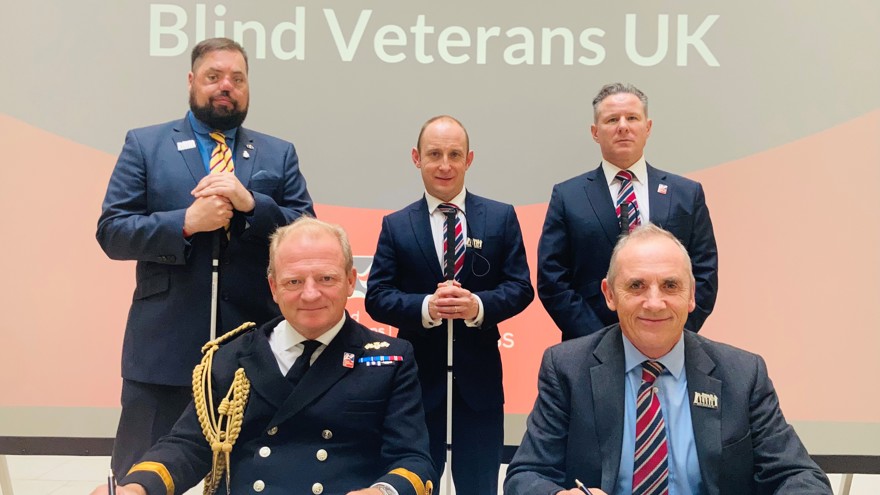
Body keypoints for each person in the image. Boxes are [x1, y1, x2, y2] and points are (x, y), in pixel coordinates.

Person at [96, 37, 314, 477]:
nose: (225, 86)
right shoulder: (145, 144)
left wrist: (253, 205)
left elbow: (305, 232)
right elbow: (113, 232)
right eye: (214, 77)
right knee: (143, 472)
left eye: (237, 78)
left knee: (249, 474)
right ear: (192, 82)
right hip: (163, 347)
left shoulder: (278, 153)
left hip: (252, 345)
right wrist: (186, 222)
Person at [91, 217, 434, 495]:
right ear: (273, 287)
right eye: (294, 281)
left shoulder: (391, 360)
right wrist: (136, 488)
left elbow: (413, 460)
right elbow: (189, 446)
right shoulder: (231, 356)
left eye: (326, 278)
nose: (310, 294)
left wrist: (382, 493)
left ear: (350, 280)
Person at [504, 224, 832, 495]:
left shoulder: (743, 374)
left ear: (691, 295)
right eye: (636, 285)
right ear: (609, 294)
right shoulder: (566, 369)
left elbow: (802, 478)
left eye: (670, 285)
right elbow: (525, 476)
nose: (655, 302)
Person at [365, 115, 534, 495]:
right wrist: (427, 307)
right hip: (417, 387)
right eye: (434, 154)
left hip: (480, 386)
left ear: (469, 159)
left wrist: (477, 306)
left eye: (454, 154)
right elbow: (377, 296)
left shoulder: (500, 217)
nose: (444, 164)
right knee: (416, 483)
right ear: (416, 157)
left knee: (480, 487)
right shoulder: (397, 225)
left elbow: (521, 287)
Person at [537, 82, 718, 341]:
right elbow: (552, 278)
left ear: (648, 127)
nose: (623, 126)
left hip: (670, 346)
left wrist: (671, 334)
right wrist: (599, 341)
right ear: (595, 132)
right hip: (588, 348)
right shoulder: (568, 196)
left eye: (632, 118)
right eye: (612, 119)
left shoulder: (686, 194)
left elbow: (704, 273)